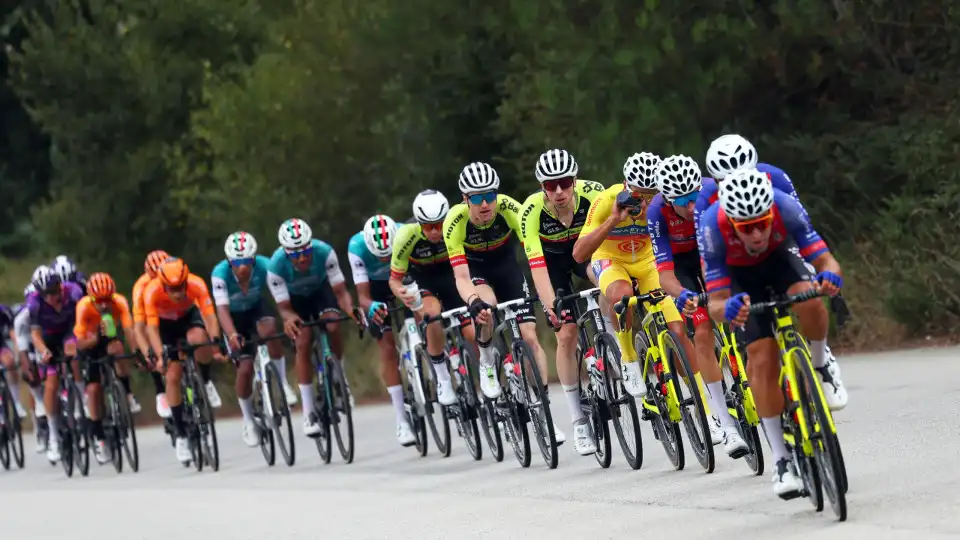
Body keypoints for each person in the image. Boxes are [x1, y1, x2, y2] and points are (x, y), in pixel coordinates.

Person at [699, 168, 844, 498]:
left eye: (762, 222)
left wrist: (831, 277)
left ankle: (820, 365)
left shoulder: (785, 208)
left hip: (780, 262)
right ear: (733, 223)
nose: (757, 233)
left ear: (770, 212)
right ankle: (781, 461)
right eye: (747, 228)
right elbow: (716, 305)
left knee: (810, 299)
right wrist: (730, 308)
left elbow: (826, 260)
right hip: (739, 280)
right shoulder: (712, 228)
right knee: (762, 360)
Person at [699, 134, 847, 409]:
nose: (736, 184)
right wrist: (720, 298)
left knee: (808, 295)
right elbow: (708, 254)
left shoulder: (775, 179)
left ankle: (820, 361)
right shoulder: (705, 202)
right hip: (733, 260)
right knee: (759, 350)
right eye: (725, 181)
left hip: (779, 245)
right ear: (715, 181)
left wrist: (818, 272)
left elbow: (799, 227)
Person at [444, 162, 565, 443]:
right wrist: (472, 300)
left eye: (490, 195)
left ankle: (544, 413)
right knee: (486, 307)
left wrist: (546, 297)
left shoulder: (511, 209)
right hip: (476, 273)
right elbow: (461, 277)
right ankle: (486, 359)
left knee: (530, 337)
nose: (485, 203)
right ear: (465, 199)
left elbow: (536, 254)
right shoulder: (455, 221)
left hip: (508, 268)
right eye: (476, 198)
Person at [572, 152, 698, 410]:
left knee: (678, 330)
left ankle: (705, 407)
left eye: (652, 195)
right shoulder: (607, 199)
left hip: (647, 260)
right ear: (626, 186)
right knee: (622, 296)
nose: (645, 202)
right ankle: (629, 358)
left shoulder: (665, 205)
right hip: (610, 259)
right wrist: (613, 219)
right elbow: (579, 254)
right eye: (639, 195)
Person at [648, 154, 747, 457]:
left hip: (712, 252)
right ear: (668, 199)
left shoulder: (711, 191)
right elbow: (664, 275)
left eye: (695, 198)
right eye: (683, 202)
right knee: (701, 331)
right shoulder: (657, 212)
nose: (692, 208)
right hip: (682, 266)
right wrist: (680, 295)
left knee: (739, 310)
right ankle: (724, 421)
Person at [520, 149, 607, 456]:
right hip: (553, 266)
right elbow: (537, 268)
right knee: (566, 333)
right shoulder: (530, 211)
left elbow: (610, 244)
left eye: (565, 183)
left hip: (586, 255)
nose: (559, 191)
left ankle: (613, 346)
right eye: (550, 185)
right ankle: (578, 418)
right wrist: (550, 307)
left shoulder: (593, 193)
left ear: (575, 180)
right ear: (542, 186)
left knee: (608, 284)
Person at [390, 190, 475, 445]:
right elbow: (394, 279)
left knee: (472, 329)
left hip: (451, 277)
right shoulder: (406, 235)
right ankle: (444, 380)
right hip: (422, 279)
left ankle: (484, 378)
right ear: (419, 223)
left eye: (440, 224)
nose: (436, 231)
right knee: (433, 316)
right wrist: (402, 294)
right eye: (429, 226)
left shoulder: (457, 225)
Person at [267, 218, 360, 437]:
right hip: (295, 301)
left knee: (333, 324)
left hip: (321, 293)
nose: (301, 258)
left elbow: (340, 292)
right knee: (303, 340)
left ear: (311, 245)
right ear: (286, 252)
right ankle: (308, 411)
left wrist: (350, 309)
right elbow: (284, 308)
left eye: (304, 251)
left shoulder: (324, 252)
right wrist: (289, 319)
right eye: (294, 254)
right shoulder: (276, 266)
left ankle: (338, 376)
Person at [212, 231, 296, 448]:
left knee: (270, 330)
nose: (243, 267)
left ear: (254, 259)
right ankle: (248, 420)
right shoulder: (220, 274)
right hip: (234, 318)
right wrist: (231, 334)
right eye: (237, 262)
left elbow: (280, 296)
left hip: (257, 309)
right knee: (245, 368)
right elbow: (221, 310)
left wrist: (287, 316)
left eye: (248, 261)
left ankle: (284, 384)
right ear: (230, 261)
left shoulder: (266, 265)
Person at [142, 257, 225, 464]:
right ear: (163, 284)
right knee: (173, 375)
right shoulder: (151, 292)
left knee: (200, 340)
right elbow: (151, 329)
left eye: (181, 286)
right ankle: (181, 435)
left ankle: (205, 381)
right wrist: (161, 353)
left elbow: (210, 316)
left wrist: (215, 341)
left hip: (188, 318)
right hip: (165, 327)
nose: (178, 292)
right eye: (172, 288)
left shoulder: (196, 283)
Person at [73, 273, 135, 464]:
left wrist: (137, 353)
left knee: (118, 349)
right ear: (91, 297)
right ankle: (98, 436)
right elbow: (79, 344)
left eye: (107, 300)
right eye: (98, 301)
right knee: (93, 389)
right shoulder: (83, 306)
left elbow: (129, 330)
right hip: (89, 344)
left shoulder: (120, 303)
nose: (103, 305)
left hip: (109, 338)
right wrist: (94, 339)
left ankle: (127, 394)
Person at [27, 266, 85, 463]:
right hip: (48, 338)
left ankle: (81, 401)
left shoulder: (74, 292)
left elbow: (84, 319)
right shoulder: (34, 303)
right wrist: (43, 351)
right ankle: (53, 435)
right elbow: (34, 334)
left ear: (60, 285)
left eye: (54, 290)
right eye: (47, 294)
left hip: (70, 331)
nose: (52, 296)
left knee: (73, 354)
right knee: (51, 384)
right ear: (40, 293)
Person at [131, 250, 184, 417]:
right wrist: (148, 353)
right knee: (148, 335)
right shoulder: (141, 288)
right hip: (153, 319)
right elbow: (138, 327)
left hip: (174, 314)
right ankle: (160, 389)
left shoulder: (176, 279)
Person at [0, 303, 27, 419]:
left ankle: (16, 402)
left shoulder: (3, 311)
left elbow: (13, 333)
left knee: (10, 362)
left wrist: (18, 348)